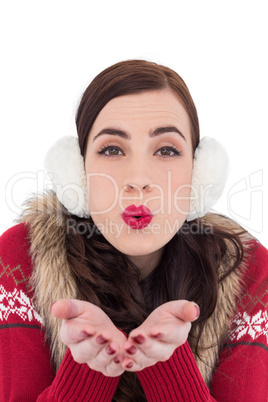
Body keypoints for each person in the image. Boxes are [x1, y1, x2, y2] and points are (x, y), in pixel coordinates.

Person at [0, 59, 267, 401]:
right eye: (112, 149)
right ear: (77, 174)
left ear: (199, 176)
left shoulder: (253, 273)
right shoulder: (19, 257)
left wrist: (170, 368)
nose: (138, 180)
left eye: (167, 150)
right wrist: (87, 372)